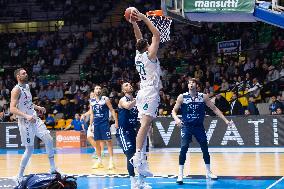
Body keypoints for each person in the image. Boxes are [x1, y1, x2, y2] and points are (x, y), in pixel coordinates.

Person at [172, 78, 234, 184]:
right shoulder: (182, 97)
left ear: (197, 85)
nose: (191, 84)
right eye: (189, 83)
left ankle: (208, 171)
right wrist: (177, 119)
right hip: (186, 126)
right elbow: (173, 111)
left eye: (193, 83)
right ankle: (180, 174)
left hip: (198, 126)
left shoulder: (203, 97)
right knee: (184, 148)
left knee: (205, 147)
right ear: (188, 86)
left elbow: (214, 109)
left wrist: (226, 120)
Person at [128, 8, 161, 179]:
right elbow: (157, 35)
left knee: (146, 126)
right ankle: (138, 155)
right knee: (145, 125)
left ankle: (142, 163)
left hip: (143, 91)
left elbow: (138, 38)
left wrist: (134, 22)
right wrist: (143, 18)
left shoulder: (138, 55)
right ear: (147, 46)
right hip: (149, 92)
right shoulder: (149, 55)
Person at [10, 68, 57, 183]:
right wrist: (26, 116)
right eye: (23, 73)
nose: (26, 74)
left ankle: (53, 169)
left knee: (49, 139)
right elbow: (12, 109)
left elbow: (28, 103)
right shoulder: (16, 90)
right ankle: (19, 175)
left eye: (26, 72)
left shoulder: (27, 87)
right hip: (25, 122)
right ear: (18, 77)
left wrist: (38, 107)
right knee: (30, 149)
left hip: (34, 118)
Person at [116, 82, 139, 189]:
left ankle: (140, 181)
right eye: (126, 85)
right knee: (130, 155)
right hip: (123, 131)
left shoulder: (135, 100)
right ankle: (133, 182)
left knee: (138, 156)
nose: (129, 85)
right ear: (124, 90)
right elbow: (128, 106)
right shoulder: (123, 100)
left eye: (130, 84)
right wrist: (139, 99)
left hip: (133, 131)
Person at [89, 85, 118, 170]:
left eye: (99, 89)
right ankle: (99, 161)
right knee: (97, 142)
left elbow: (112, 110)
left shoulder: (105, 99)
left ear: (101, 91)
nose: (98, 90)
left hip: (104, 123)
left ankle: (111, 161)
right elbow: (92, 114)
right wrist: (91, 125)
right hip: (96, 124)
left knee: (108, 142)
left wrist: (116, 121)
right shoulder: (91, 101)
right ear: (94, 91)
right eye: (96, 88)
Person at [81, 91, 105, 159]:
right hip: (94, 122)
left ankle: (101, 152)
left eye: (92, 95)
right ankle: (98, 150)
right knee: (89, 136)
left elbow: (93, 112)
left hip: (98, 121)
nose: (91, 96)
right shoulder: (92, 102)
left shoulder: (98, 101)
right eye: (90, 95)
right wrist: (84, 114)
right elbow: (91, 112)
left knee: (99, 138)